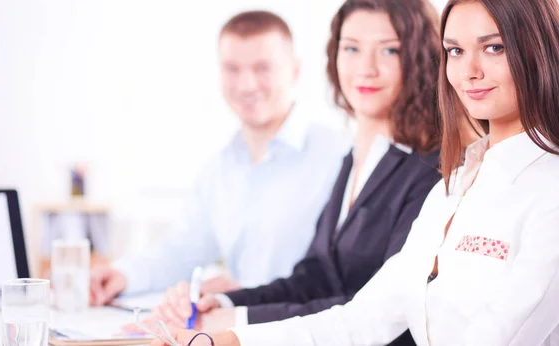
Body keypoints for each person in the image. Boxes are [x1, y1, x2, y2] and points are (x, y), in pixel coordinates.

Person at [148, 0, 559, 344]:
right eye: (454, 50)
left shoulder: (545, 187)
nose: (469, 70)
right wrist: (228, 338)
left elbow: (503, 332)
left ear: (537, 51)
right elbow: (363, 317)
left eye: (494, 48)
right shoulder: (455, 187)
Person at [134, 0, 441, 344]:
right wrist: (224, 305)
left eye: (389, 51)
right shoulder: (356, 160)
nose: (366, 68)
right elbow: (316, 277)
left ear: (418, 56)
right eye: (352, 48)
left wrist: (235, 327)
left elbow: (378, 313)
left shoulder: (432, 168)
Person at [89, 10, 350, 306]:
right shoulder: (220, 168)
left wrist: (240, 295)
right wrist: (123, 274)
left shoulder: (340, 156)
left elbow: (340, 275)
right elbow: (183, 248)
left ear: (294, 70)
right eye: (232, 69)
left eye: (262, 68)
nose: (246, 85)